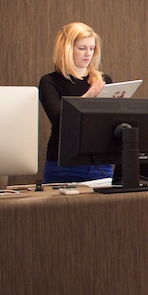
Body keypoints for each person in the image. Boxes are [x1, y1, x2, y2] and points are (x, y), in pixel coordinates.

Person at [38, 21, 113, 183]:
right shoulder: (50, 82)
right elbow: (60, 120)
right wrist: (89, 96)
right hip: (62, 166)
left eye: (92, 48)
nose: (88, 54)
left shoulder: (103, 80)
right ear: (66, 49)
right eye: (82, 48)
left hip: (100, 164)